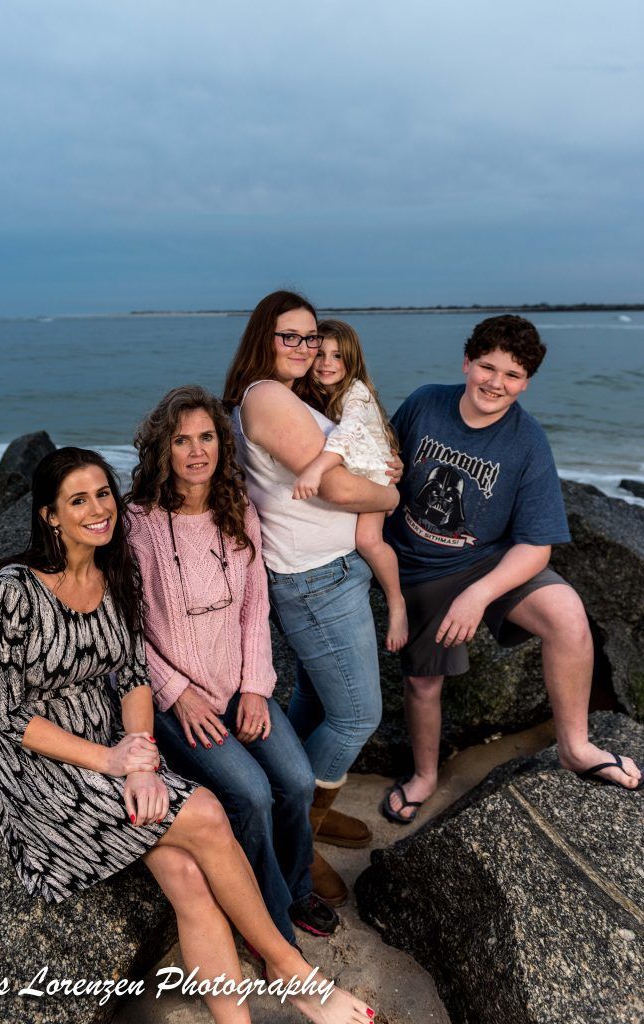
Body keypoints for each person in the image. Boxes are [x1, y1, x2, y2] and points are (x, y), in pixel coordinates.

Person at [0, 446, 376, 1024]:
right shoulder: (15, 589)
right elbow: (8, 716)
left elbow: (136, 678)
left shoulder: (113, 571)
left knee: (190, 879)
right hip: (46, 765)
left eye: (103, 494)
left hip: (118, 743)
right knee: (209, 813)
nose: (98, 509)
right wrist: (114, 761)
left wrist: (140, 759)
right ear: (49, 516)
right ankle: (291, 970)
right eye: (78, 500)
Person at [382, 314, 642, 824]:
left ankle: (575, 746)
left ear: (526, 383)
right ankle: (425, 777)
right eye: (487, 366)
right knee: (422, 684)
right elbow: (382, 468)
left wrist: (478, 595)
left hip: (489, 561)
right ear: (467, 362)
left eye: (513, 375)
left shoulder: (527, 441)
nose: (496, 383)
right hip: (420, 566)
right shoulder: (424, 403)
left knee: (568, 614)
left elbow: (536, 545)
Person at [125, 385, 338, 944]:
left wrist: (254, 688)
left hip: (239, 686)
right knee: (250, 795)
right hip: (179, 702)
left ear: (223, 443)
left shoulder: (237, 509)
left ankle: (295, 890)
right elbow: (126, 628)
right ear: (161, 451)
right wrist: (176, 692)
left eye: (207, 437)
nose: (197, 451)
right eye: (181, 440)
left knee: (295, 781)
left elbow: (254, 608)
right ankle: (267, 921)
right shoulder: (138, 525)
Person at [223, 291, 401, 907]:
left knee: (315, 701)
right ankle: (304, 831)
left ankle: (299, 809)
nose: (302, 348)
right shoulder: (269, 396)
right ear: (262, 340)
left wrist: (377, 468)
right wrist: (389, 498)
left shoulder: (286, 392)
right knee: (356, 716)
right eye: (289, 337)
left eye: (308, 337)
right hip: (314, 577)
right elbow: (334, 486)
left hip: (326, 571)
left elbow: (343, 459)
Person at [292, 319, 408, 652]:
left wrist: (316, 470)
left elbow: (348, 435)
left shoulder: (356, 393)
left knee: (368, 541)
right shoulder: (313, 395)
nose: (327, 364)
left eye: (338, 356)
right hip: (354, 467)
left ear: (352, 361)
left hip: (373, 472)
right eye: (321, 355)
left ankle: (396, 603)